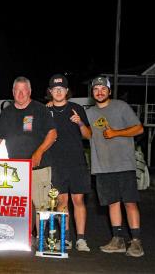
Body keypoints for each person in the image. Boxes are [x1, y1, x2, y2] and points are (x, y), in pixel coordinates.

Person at [0, 76, 57, 248]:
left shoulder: (40, 110)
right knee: (20, 206)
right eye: (16, 90)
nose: (20, 94)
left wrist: (38, 152)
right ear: (12, 92)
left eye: (23, 90)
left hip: (38, 168)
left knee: (41, 205)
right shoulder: (7, 113)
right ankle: (24, 237)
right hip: (15, 170)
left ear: (29, 91)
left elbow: (52, 134)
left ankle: (44, 239)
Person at [86, 76, 144, 257]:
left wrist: (116, 133)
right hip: (103, 167)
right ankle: (117, 240)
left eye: (103, 89)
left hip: (124, 164)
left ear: (109, 91)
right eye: (96, 89)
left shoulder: (121, 106)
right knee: (112, 203)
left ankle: (136, 242)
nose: (99, 92)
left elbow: (139, 128)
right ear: (92, 92)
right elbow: (76, 124)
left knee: (130, 203)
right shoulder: (89, 113)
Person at [46, 74, 92, 251]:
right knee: (61, 201)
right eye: (55, 89)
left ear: (67, 91)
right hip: (56, 163)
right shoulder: (46, 111)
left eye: (62, 88)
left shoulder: (77, 108)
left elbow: (89, 135)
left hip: (77, 163)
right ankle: (65, 238)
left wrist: (80, 122)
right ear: (50, 92)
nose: (58, 91)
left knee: (78, 200)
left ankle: (81, 239)